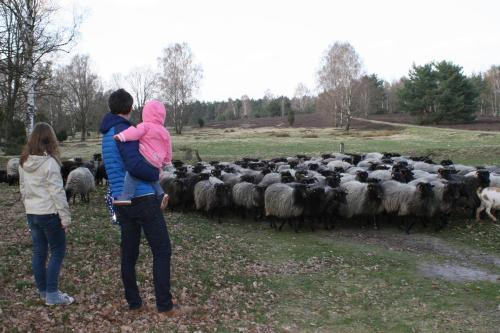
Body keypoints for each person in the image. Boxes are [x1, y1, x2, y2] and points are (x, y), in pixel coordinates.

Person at [99, 88, 179, 314]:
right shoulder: (124, 129)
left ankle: (134, 302)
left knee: (130, 253)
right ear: (130, 108)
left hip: (121, 199)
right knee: (162, 250)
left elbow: (116, 166)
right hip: (142, 198)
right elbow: (134, 165)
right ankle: (165, 306)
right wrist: (157, 175)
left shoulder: (107, 133)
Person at [19, 122, 74, 305]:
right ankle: (52, 294)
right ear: (51, 140)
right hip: (49, 214)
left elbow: (23, 189)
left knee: (39, 252)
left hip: (32, 213)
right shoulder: (50, 163)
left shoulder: (24, 161)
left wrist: (29, 207)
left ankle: (43, 291)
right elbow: (58, 192)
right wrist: (65, 218)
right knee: (58, 251)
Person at [112, 100, 172, 209]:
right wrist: (167, 161)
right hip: (156, 164)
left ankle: (125, 197)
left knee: (132, 175)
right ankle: (162, 194)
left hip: (145, 159)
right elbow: (168, 149)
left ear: (146, 113)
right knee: (153, 179)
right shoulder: (165, 132)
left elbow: (134, 133)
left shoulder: (145, 126)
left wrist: (121, 136)